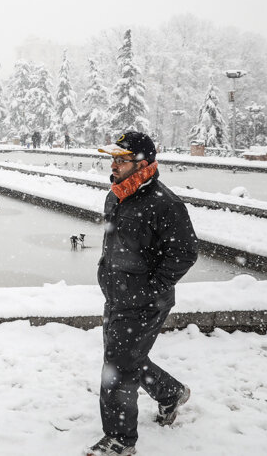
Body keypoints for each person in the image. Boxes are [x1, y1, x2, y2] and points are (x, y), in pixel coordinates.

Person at [87, 131, 198, 456]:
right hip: (118, 296)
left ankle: (121, 440)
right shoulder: (117, 195)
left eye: (121, 160)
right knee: (125, 358)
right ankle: (170, 393)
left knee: (118, 369)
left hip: (144, 303)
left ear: (142, 163)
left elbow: (185, 253)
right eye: (114, 159)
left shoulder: (165, 204)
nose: (114, 164)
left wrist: (150, 289)